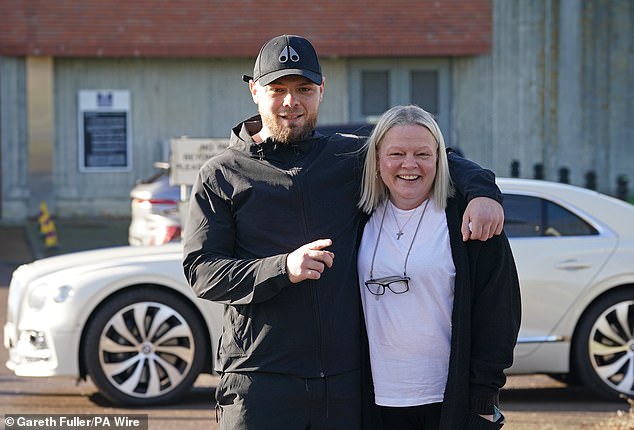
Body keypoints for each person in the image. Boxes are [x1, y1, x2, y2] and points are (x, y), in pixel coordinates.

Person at [182, 34, 505, 430]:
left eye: (303, 89)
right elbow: (202, 271)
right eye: (277, 89)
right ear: (254, 91)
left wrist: (484, 192)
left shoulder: (348, 157)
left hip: (345, 388)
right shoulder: (220, 175)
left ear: (321, 90)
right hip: (259, 382)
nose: (290, 102)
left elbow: (421, 152)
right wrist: (282, 267)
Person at [357, 105, 521, 430]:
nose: (409, 164)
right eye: (396, 153)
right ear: (376, 160)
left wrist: (483, 401)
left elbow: (499, 314)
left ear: (439, 160)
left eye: (422, 154)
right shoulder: (355, 216)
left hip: (448, 402)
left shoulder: (469, 222)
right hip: (370, 402)